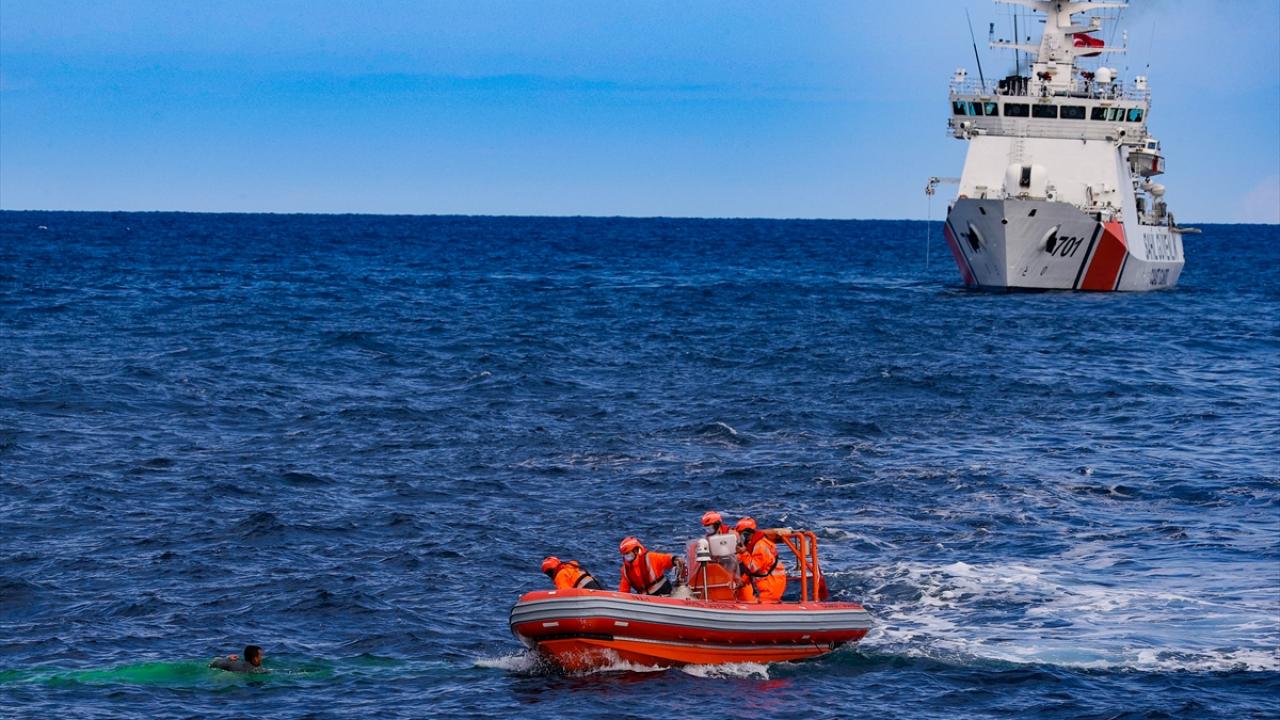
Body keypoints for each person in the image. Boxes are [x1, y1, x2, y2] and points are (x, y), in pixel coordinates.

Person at [736, 517, 787, 603]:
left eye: (741, 534)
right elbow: (753, 570)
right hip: (767, 583)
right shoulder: (754, 544)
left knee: (763, 605)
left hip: (771, 585)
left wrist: (743, 553)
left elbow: (754, 567)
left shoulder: (760, 546)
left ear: (746, 534)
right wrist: (743, 581)